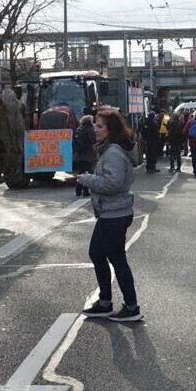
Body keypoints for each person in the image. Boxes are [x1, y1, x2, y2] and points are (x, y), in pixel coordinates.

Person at [77, 110, 142, 322]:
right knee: (98, 253)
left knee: (115, 258)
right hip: (111, 212)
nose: (95, 129)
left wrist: (88, 179)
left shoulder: (113, 153)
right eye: (95, 125)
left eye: (100, 126)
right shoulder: (109, 151)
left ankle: (131, 306)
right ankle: (105, 302)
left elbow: (112, 184)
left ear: (110, 130)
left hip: (114, 214)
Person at [72, 115, 97, 197]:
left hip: (79, 155)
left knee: (80, 172)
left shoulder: (79, 129)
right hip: (88, 154)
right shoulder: (90, 129)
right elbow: (94, 140)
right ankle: (86, 191)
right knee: (87, 173)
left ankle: (78, 190)